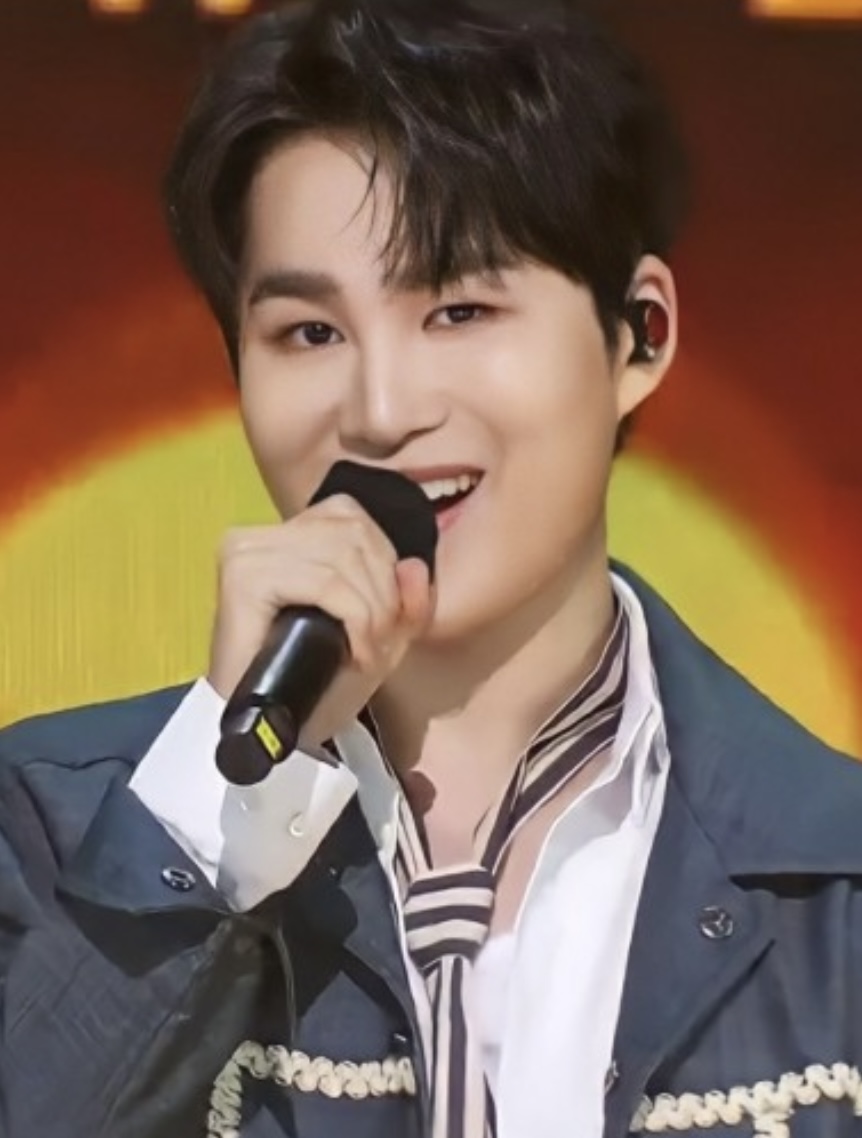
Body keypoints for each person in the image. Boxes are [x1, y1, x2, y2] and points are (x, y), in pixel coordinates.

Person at [1, 0, 861, 1136]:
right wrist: (219, 806)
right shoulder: (47, 832)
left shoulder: (834, 883)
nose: (382, 410)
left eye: (458, 310)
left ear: (638, 335)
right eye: (310, 333)